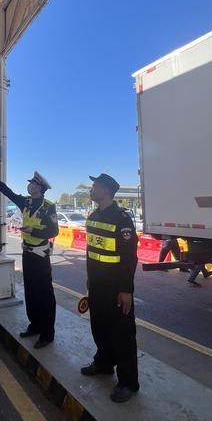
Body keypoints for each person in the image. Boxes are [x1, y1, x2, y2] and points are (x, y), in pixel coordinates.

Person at [81, 173, 140, 403]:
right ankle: (104, 364)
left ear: (106, 190)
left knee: (122, 335)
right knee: (100, 327)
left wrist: (126, 289)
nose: (91, 189)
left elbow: (129, 257)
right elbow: (91, 252)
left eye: (94, 186)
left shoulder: (121, 218)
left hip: (116, 287)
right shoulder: (93, 216)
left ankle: (128, 382)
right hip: (97, 285)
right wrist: (90, 279)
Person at [0, 169, 58, 349]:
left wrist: (33, 231)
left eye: (33, 183)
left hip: (40, 255)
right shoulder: (25, 202)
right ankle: (35, 325)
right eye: (30, 183)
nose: (29, 185)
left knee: (44, 294)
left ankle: (47, 333)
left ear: (40, 187)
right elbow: (9, 192)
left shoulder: (48, 206)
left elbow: (54, 231)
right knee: (31, 291)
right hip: (27, 253)